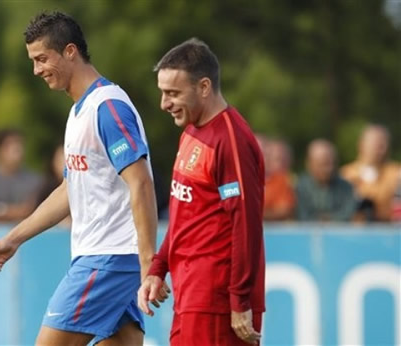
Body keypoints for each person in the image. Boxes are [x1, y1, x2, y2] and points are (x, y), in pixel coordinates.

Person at [0, 11, 158, 346]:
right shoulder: (79, 112)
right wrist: (13, 239)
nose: (37, 70)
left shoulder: (108, 106)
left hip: (108, 259)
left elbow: (141, 182)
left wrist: (150, 263)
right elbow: (69, 190)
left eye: (42, 58)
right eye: (33, 60)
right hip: (105, 258)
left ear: (70, 51)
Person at [138, 38, 265, 346]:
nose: (164, 103)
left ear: (204, 87)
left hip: (216, 302)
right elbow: (185, 214)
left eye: (173, 93)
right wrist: (158, 268)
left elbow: (245, 224)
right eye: (163, 92)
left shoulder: (230, 140)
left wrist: (239, 301)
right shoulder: (192, 133)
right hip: (191, 295)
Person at [0, 129, 41, 222]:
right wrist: (16, 211)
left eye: (19, 145)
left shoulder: (35, 180)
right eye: (10, 146)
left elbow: (30, 211)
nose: (16, 150)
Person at [340, 124, 401, 221]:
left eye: (385, 144)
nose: (383, 149)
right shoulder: (347, 174)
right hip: (355, 232)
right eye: (378, 145)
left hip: (389, 230)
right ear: (362, 145)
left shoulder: (397, 172)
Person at [295, 139, 356, 221]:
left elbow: (348, 214)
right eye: (324, 164)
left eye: (333, 163)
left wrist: (326, 220)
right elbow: (302, 215)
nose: (329, 169)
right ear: (310, 164)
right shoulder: (300, 188)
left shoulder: (347, 188)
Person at [262, 138, 296, 221]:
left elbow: (284, 210)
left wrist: (256, 213)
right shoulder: (253, 182)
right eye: (276, 159)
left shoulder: (284, 181)